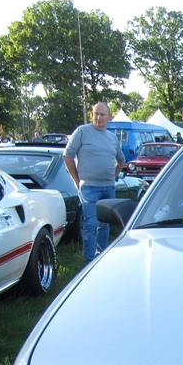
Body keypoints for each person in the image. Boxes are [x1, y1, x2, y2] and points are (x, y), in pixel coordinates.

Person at [63, 102, 126, 263]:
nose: (99, 117)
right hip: (89, 187)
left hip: (108, 187)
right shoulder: (82, 132)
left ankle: (101, 256)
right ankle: (89, 260)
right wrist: (76, 179)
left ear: (109, 117)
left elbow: (121, 161)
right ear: (92, 115)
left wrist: (113, 176)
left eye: (102, 114)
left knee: (105, 224)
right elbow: (67, 155)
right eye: (96, 114)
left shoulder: (112, 138)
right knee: (90, 223)